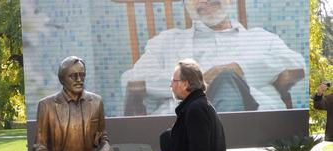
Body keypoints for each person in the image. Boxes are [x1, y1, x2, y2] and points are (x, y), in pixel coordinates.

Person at [121, 0, 305, 115]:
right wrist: (195, 80)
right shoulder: (166, 41)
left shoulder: (260, 38)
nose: (205, 1)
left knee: (227, 79)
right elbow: (131, 79)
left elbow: (297, 63)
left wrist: (239, 69)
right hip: (187, 119)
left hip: (254, 118)